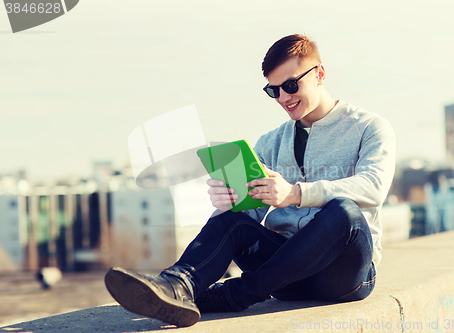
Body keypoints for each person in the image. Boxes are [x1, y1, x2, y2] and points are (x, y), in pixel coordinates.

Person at [105, 34, 396, 328]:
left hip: (343, 276)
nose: (284, 98)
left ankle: (233, 294)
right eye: (274, 91)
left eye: (291, 85)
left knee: (344, 212)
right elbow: (251, 213)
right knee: (231, 220)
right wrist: (230, 203)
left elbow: (374, 187)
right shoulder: (270, 143)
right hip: (285, 277)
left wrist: (295, 194)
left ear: (319, 74)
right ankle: (177, 286)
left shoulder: (369, 127)